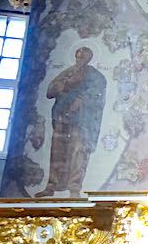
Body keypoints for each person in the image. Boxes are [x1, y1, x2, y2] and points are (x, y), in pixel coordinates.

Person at [39, 46, 107, 197]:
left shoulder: (95, 76)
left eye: (83, 57)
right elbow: (50, 91)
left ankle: (74, 188)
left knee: (78, 152)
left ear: (89, 59)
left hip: (82, 121)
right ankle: (51, 186)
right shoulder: (68, 72)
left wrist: (81, 99)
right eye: (77, 57)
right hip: (62, 117)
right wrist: (66, 83)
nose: (79, 60)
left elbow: (97, 93)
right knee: (57, 151)